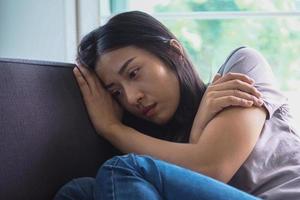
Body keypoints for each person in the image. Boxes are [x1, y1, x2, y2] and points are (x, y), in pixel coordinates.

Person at [54, 11, 300, 200]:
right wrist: (195, 137)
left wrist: (112, 128)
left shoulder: (240, 70)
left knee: (122, 168)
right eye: (116, 92)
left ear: (174, 53)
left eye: (133, 73)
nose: (130, 98)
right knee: (80, 192)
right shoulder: (161, 147)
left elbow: (214, 166)